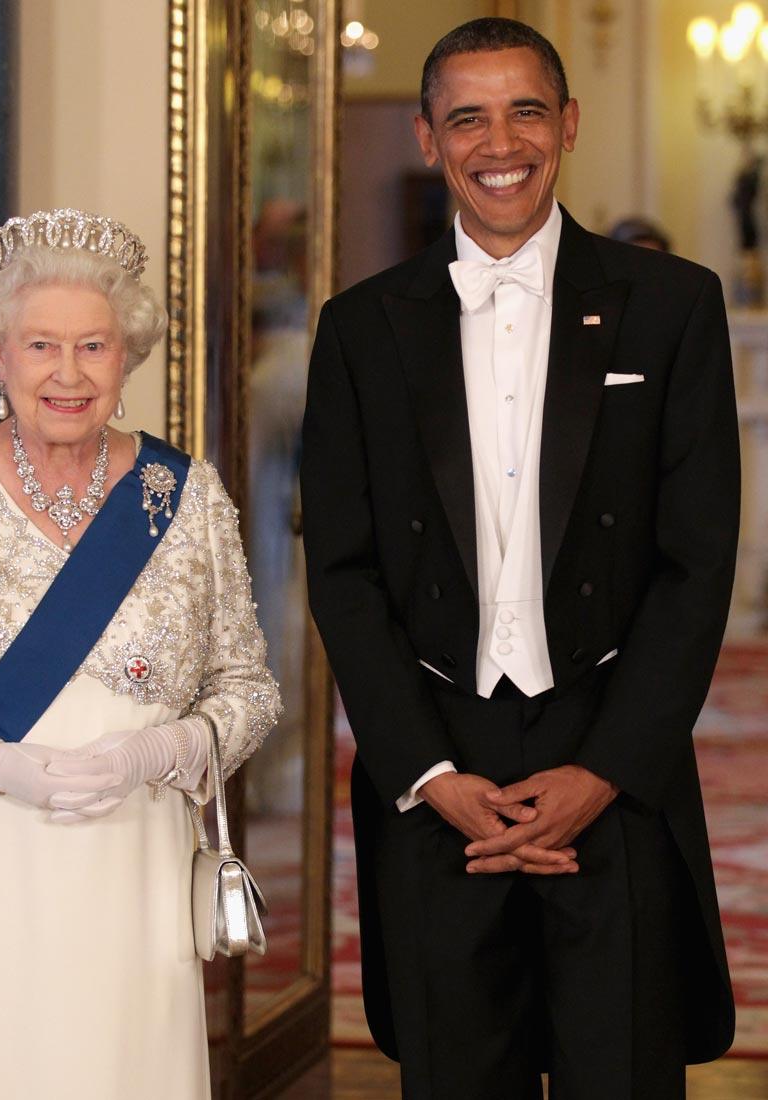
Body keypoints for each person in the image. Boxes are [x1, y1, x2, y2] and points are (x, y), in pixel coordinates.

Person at [301, 18, 738, 1100]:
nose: (499, 141)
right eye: (467, 116)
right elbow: (343, 571)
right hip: (438, 761)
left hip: (611, 749)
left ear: (568, 124)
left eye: (524, 109)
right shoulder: (358, 329)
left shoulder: (673, 305)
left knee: (621, 1071)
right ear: (427, 135)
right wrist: (432, 773)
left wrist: (602, 768)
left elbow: (696, 559)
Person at [0, 208, 280, 1100]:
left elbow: (247, 688)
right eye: (40, 346)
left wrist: (163, 749)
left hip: (131, 873)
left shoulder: (181, 497)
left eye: (94, 347)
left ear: (127, 357)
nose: (68, 374)